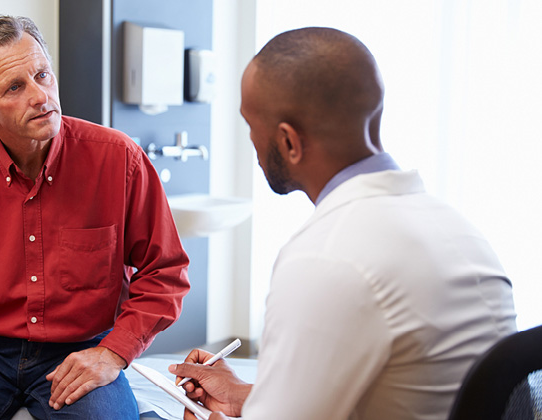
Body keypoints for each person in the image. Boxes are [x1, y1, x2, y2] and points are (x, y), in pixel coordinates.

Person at [169, 27, 517, 420]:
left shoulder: (325, 257)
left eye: (250, 124)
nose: (250, 141)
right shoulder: (457, 229)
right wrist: (246, 398)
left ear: (288, 142)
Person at [0, 15, 190, 420]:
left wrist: (112, 353)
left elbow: (165, 272)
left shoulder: (120, 160)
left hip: (81, 346)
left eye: (43, 75)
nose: (41, 96)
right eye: (14, 87)